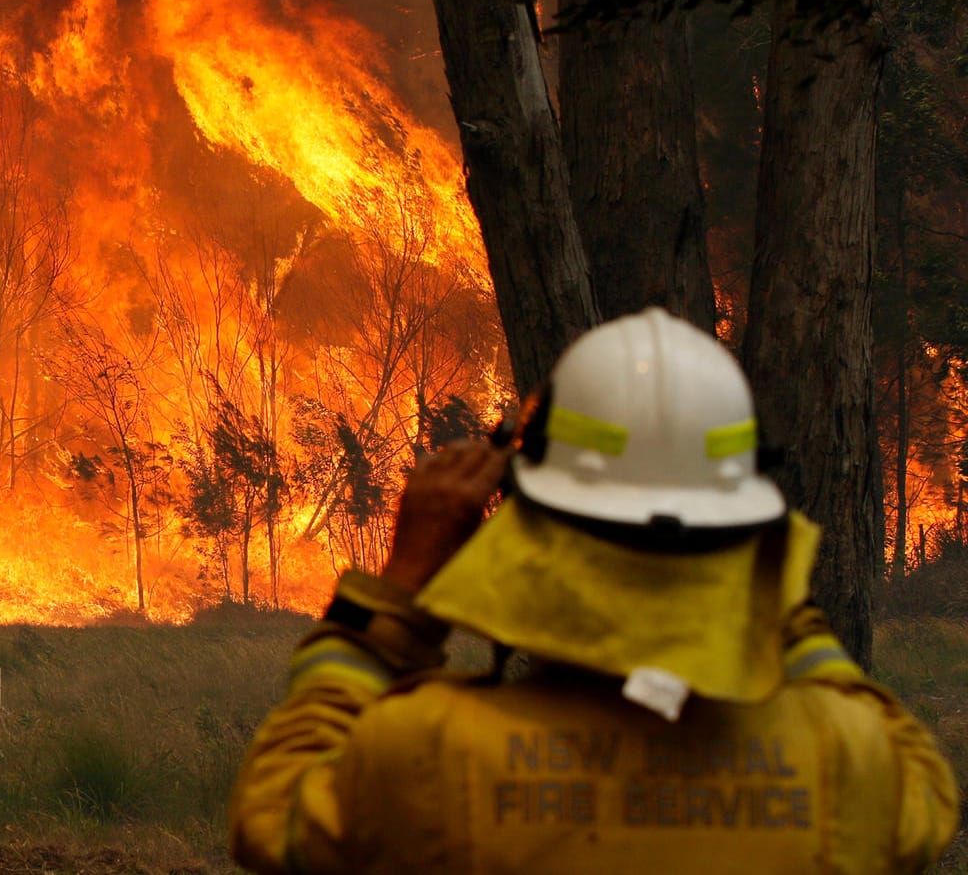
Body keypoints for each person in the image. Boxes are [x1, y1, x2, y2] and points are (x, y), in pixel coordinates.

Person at [229, 307, 959, 874]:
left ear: (532, 525)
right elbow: (910, 764)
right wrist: (769, 587)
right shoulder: (854, 763)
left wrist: (396, 591)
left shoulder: (430, 751)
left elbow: (275, 809)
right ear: (742, 528)